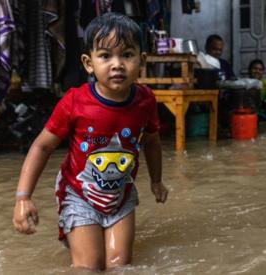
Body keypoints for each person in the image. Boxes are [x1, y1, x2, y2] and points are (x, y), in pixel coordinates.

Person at [12, 13, 168, 271]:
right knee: (90, 267)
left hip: (122, 195)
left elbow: (151, 141)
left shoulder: (145, 101)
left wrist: (156, 181)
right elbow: (42, 146)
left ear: (142, 60)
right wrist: (22, 197)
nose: (117, 64)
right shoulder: (74, 102)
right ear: (88, 63)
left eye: (127, 55)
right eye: (106, 56)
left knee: (120, 265)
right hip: (79, 195)